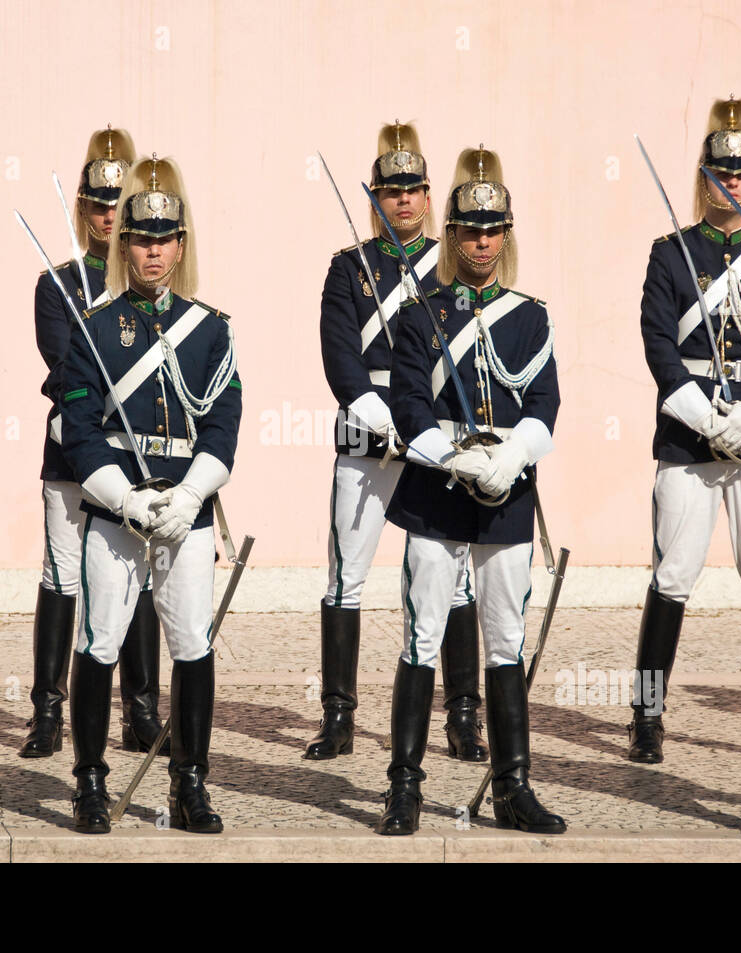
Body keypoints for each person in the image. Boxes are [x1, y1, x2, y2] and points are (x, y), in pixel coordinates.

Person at [377, 146, 565, 835]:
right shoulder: (423, 313)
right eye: (469, 229)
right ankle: (404, 786)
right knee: (421, 635)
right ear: (451, 235)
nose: (482, 240)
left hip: (506, 491)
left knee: (506, 639)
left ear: (505, 233)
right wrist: (456, 458)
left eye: (493, 229)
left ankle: (513, 787)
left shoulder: (528, 316)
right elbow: (406, 407)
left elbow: (545, 404)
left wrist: (512, 453)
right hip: (437, 491)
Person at [630, 97, 741, 768]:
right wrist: (706, 417)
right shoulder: (672, 255)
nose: (731, 183)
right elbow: (657, 344)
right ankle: (647, 714)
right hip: (687, 435)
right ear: (703, 176)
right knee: (673, 575)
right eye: (720, 172)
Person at [59, 155, 241, 834]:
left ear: (181, 244)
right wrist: (127, 499)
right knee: (100, 640)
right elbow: (79, 432)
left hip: (186, 513)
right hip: (117, 513)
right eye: (139, 238)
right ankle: (90, 782)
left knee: (192, 641)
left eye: (163, 239)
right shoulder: (95, 329)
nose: (152, 251)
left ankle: (189, 782)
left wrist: (191, 496)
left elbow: (223, 423)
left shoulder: (210, 328)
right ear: (122, 243)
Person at [312, 121, 487, 764]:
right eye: (392, 190)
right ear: (375, 196)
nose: (404, 201)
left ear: (428, 193)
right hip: (365, 434)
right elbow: (339, 354)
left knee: (454, 580)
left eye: (414, 189)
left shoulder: (452, 262)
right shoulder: (349, 268)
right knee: (345, 579)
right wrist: (374, 414)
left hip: (433, 435)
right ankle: (338, 717)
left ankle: (464, 717)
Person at [25, 127, 167, 759]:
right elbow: (65, 371)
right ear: (82, 208)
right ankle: (48, 712)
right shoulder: (57, 285)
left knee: (137, 578)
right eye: (98, 204)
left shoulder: (153, 292)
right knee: (63, 575)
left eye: (119, 204)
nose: (109, 215)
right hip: (74, 451)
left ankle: (140, 709)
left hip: (142, 455)